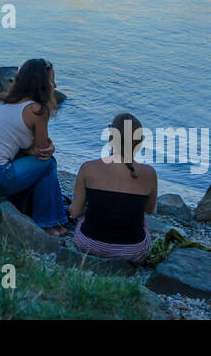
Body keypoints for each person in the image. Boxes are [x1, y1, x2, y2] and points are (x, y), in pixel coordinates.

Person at [0, 58, 68, 236]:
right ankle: (48, 223)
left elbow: (20, 146)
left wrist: (31, 150)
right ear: (41, 84)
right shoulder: (37, 110)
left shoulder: (5, 102)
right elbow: (42, 153)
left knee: (40, 164)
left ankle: (50, 219)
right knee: (49, 164)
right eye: (52, 80)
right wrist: (48, 149)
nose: (55, 85)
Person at [67, 113, 157, 265]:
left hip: (88, 245)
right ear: (138, 142)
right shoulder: (149, 173)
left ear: (111, 136)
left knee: (84, 215)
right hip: (131, 251)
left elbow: (75, 212)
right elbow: (149, 210)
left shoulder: (88, 168)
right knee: (143, 222)